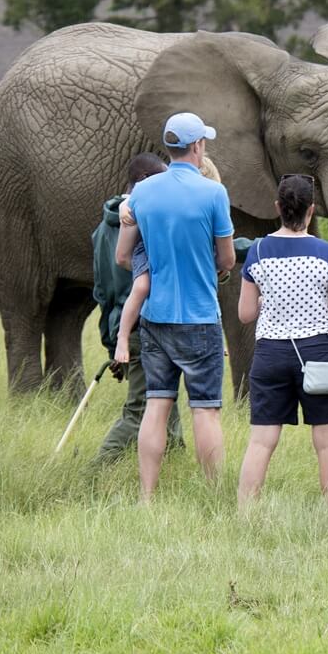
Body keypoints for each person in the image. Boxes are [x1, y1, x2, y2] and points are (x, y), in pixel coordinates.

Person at [118, 112, 235, 498]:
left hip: (155, 318)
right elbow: (228, 259)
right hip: (200, 317)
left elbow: (123, 255)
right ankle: (215, 494)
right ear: (198, 146)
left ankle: (147, 497)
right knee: (205, 409)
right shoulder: (213, 193)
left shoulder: (144, 192)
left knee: (157, 406)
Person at [235, 175, 328, 507]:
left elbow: (245, 314)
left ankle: (246, 513)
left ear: (278, 207)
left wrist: (264, 302)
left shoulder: (257, 251)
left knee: (261, 441)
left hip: (271, 353)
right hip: (321, 352)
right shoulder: (327, 252)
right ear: (311, 210)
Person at [91, 153, 182, 463]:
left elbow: (101, 290)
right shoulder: (145, 221)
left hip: (124, 327)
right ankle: (96, 471)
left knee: (165, 400)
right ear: (144, 184)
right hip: (144, 325)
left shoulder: (102, 229)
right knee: (142, 407)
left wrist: (112, 338)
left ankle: (176, 464)